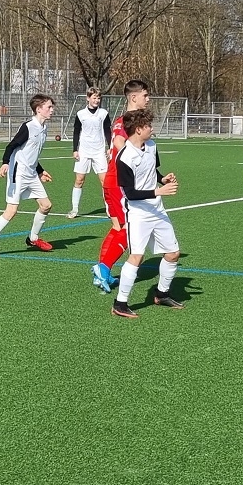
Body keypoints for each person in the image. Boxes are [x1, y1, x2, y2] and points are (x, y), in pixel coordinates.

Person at [110, 108, 183, 319]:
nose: (152, 129)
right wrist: (158, 191)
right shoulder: (124, 158)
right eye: (149, 125)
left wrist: (162, 179)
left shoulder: (151, 146)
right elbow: (130, 194)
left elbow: (152, 170)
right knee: (137, 257)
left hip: (157, 209)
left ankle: (161, 294)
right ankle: (120, 304)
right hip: (138, 213)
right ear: (138, 129)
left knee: (173, 253)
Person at [0, 94, 56, 259]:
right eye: (49, 107)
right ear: (38, 109)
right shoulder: (28, 127)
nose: (52, 110)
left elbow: (31, 154)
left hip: (31, 173)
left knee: (46, 205)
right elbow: (11, 146)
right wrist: (5, 163)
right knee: (11, 211)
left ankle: (33, 239)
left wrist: (40, 171)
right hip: (18, 173)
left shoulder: (44, 128)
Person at [91, 80, 150, 292]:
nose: (148, 99)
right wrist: (139, 158)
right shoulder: (125, 120)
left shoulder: (131, 120)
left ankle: (102, 272)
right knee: (127, 228)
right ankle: (103, 268)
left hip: (117, 182)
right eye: (145, 95)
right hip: (119, 183)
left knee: (118, 228)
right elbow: (118, 142)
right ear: (134, 97)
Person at [66, 87, 111, 219]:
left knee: (104, 182)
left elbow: (107, 131)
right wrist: (75, 149)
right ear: (88, 98)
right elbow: (76, 132)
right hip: (84, 151)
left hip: (99, 152)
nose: (96, 100)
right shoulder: (81, 114)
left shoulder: (103, 113)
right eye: (94, 97)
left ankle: (110, 209)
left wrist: (110, 147)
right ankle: (74, 209)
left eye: (98, 98)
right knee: (79, 180)